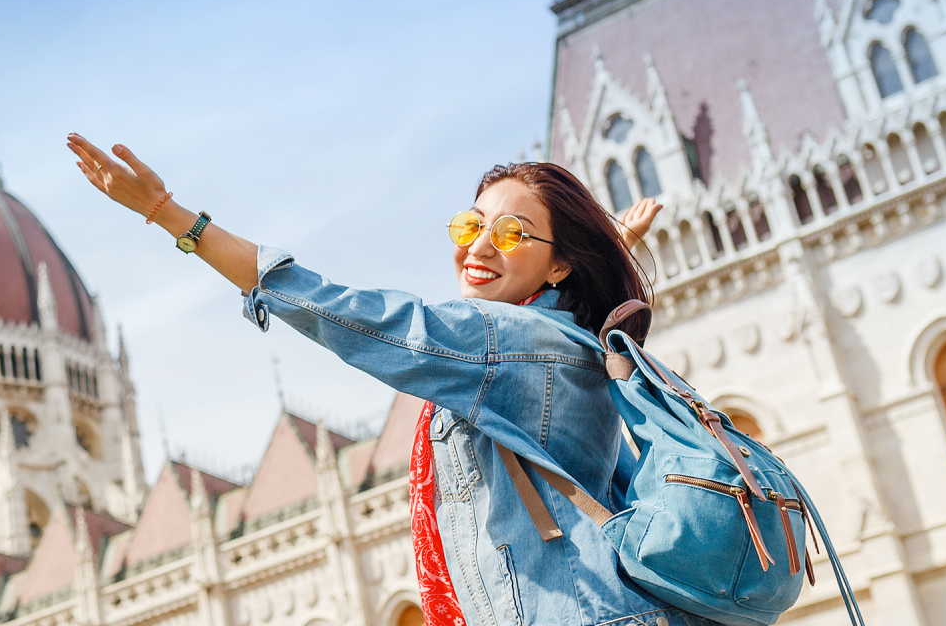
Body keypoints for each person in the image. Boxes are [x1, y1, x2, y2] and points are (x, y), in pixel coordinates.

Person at [65, 133, 701, 626]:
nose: (479, 246)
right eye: (470, 225)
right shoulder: (569, 341)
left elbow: (351, 315)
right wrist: (612, 243)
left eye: (509, 233)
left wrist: (172, 215)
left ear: (561, 262)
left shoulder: (503, 342)